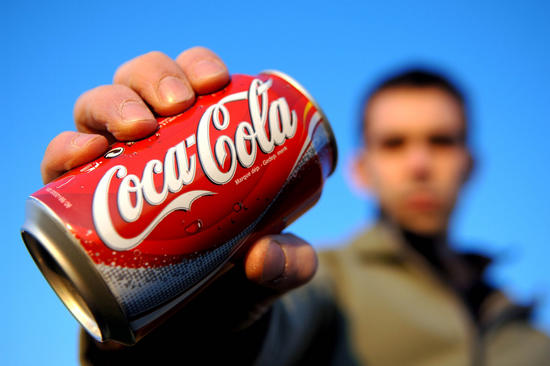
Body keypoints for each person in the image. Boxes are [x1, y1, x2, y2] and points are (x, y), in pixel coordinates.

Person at [40, 47, 550, 365]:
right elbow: (274, 329)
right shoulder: (329, 281)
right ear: (360, 170)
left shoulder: (526, 330)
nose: (419, 164)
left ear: (471, 164)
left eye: (440, 142)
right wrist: (178, 338)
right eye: (394, 144)